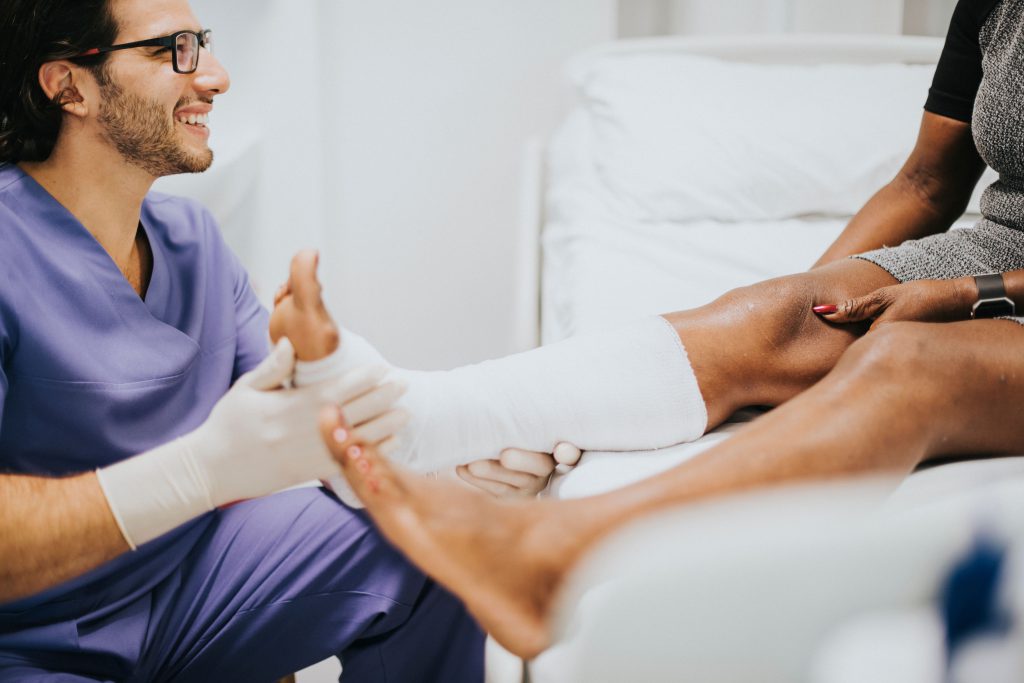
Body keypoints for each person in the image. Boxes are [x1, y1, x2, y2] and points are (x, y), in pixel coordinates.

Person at [301, 0, 1024, 660]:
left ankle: (552, 558)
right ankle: (402, 416)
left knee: (908, 364)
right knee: (767, 321)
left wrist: (976, 295)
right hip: (999, 244)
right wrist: (796, 317)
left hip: (998, 279)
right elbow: (926, 184)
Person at [0, 1, 487, 679]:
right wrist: (201, 471)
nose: (217, 76)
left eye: (203, 43)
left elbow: (303, 434)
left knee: (434, 541)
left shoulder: (192, 244)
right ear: (68, 86)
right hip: (32, 637)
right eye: (174, 50)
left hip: (188, 585)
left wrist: (453, 465)